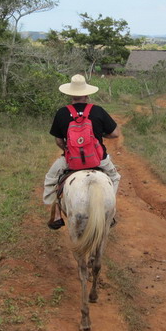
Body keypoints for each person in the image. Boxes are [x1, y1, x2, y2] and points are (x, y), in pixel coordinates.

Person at [43, 74, 121, 229]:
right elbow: (115, 133)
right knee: (115, 177)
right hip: (98, 158)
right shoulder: (98, 111)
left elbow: (58, 140)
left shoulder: (62, 113)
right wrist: (100, 135)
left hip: (71, 160)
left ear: (71, 94)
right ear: (86, 94)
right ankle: (110, 210)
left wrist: (68, 150)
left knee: (51, 179)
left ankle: (57, 212)